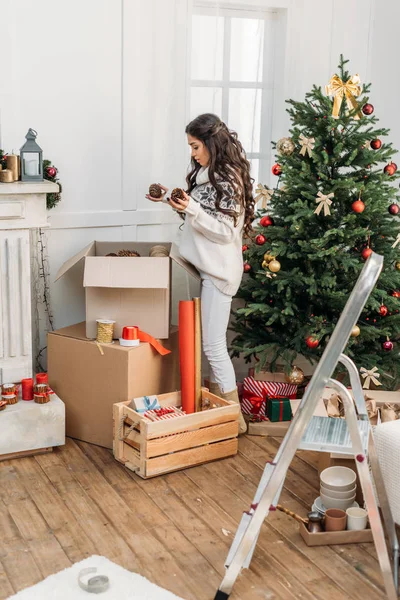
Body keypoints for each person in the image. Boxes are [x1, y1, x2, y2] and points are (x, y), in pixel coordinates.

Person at [146, 113, 254, 434]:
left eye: (195, 146)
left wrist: (189, 206)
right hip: (204, 268)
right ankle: (228, 415)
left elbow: (224, 231)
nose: (192, 153)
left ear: (210, 143)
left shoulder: (228, 179)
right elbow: (199, 214)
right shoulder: (207, 175)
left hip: (219, 273)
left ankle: (235, 420)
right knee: (211, 343)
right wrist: (169, 198)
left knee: (213, 345)